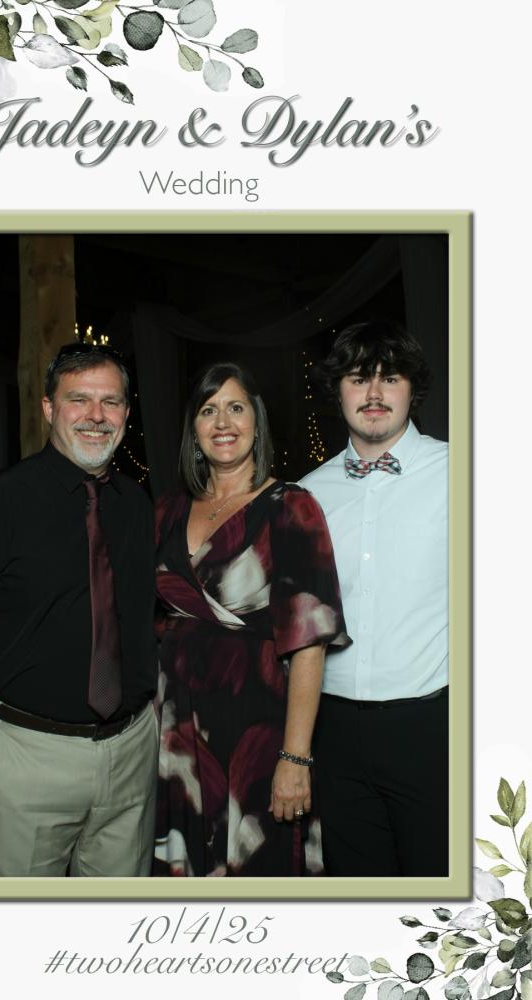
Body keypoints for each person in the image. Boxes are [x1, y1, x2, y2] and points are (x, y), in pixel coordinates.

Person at [0, 341, 159, 877]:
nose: (96, 415)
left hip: (132, 758)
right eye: (78, 399)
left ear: (126, 413)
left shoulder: (137, 505)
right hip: (25, 762)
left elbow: (137, 620)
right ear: (48, 407)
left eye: (111, 402)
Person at [153, 362, 349, 877]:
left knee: (259, 874)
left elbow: (309, 643)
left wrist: (295, 757)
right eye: (208, 410)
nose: (223, 422)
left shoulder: (291, 507)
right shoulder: (167, 510)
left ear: (256, 422)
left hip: (256, 730)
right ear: (194, 430)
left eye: (235, 408)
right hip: (174, 736)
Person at [299, 320, 448, 877]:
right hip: (333, 730)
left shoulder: (462, 473)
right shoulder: (308, 493)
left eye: (390, 378)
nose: (375, 393)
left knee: (443, 894)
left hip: (431, 725)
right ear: (338, 391)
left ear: (413, 389)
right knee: (358, 894)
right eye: (359, 379)